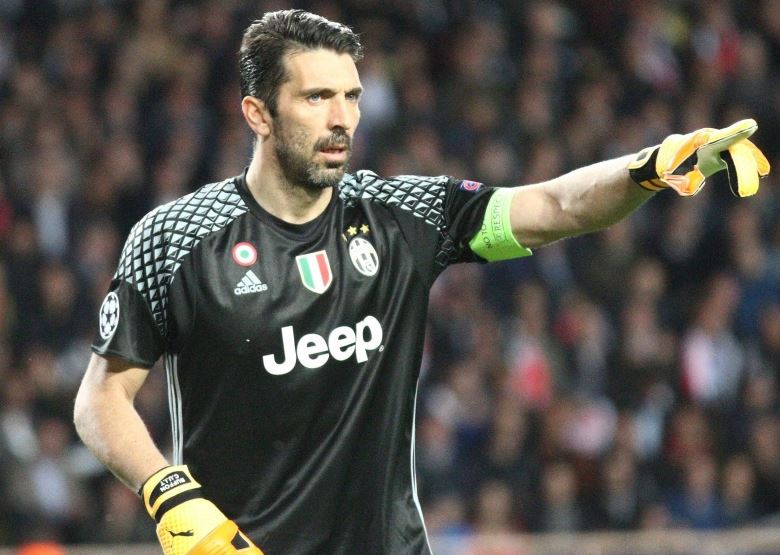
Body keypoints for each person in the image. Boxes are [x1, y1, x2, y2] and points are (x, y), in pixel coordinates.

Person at [73, 9, 769, 555]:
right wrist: (168, 492)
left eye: (351, 96)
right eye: (317, 97)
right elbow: (101, 398)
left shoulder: (401, 217)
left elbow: (557, 207)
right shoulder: (175, 239)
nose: (342, 118)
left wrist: (648, 167)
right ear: (258, 113)